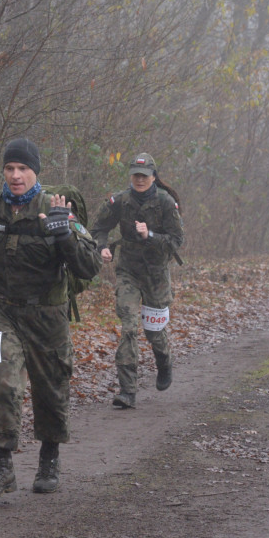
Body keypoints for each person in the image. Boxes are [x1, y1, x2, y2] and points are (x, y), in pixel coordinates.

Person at [0, 137, 102, 496]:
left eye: (23, 168)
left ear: (36, 171)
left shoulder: (56, 207)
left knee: (51, 389)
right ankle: (1, 467)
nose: (16, 175)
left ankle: (49, 460)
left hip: (48, 315)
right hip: (3, 312)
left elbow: (89, 267)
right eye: (10, 168)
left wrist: (65, 234)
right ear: (3, 171)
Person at [89, 153, 184, 409]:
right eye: (135, 175)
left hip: (156, 274)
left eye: (144, 175)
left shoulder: (165, 202)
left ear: (153, 176)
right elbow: (98, 228)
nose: (139, 180)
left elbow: (176, 241)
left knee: (154, 331)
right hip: (128, 271)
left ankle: (164, 361)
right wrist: (102, 247)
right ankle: (127, 391)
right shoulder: (120, 200)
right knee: (129, 327)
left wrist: (150, 235)